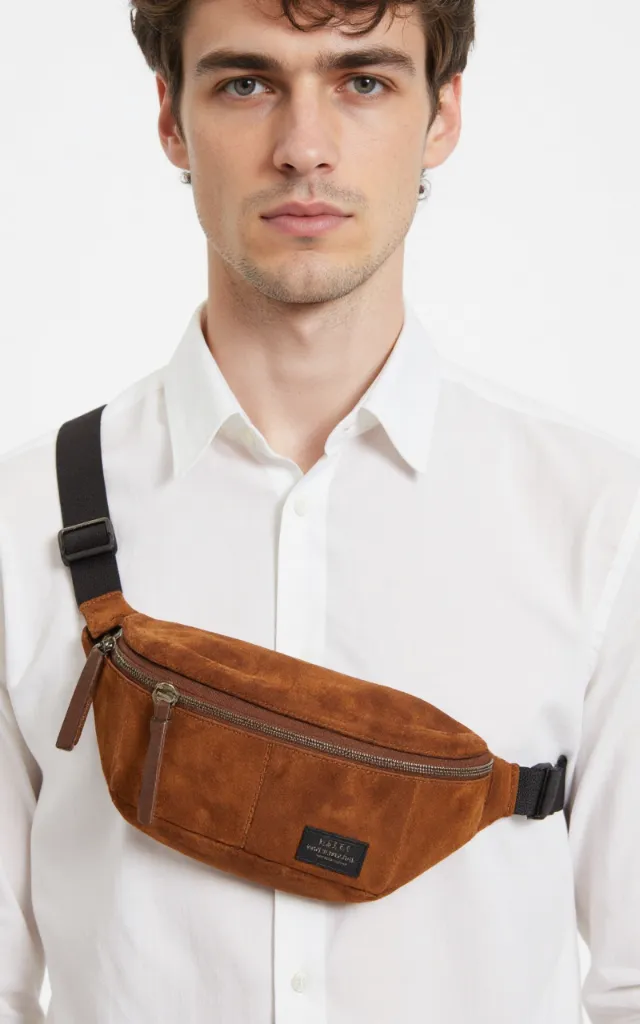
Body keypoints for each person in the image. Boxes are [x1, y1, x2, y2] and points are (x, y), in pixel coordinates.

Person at [1, 0, 638, 1020]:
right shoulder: (15, 522)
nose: (302, 147)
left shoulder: (600, 521)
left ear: (442, 115)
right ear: (170, 117)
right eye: (245, 83)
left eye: (363, 81)